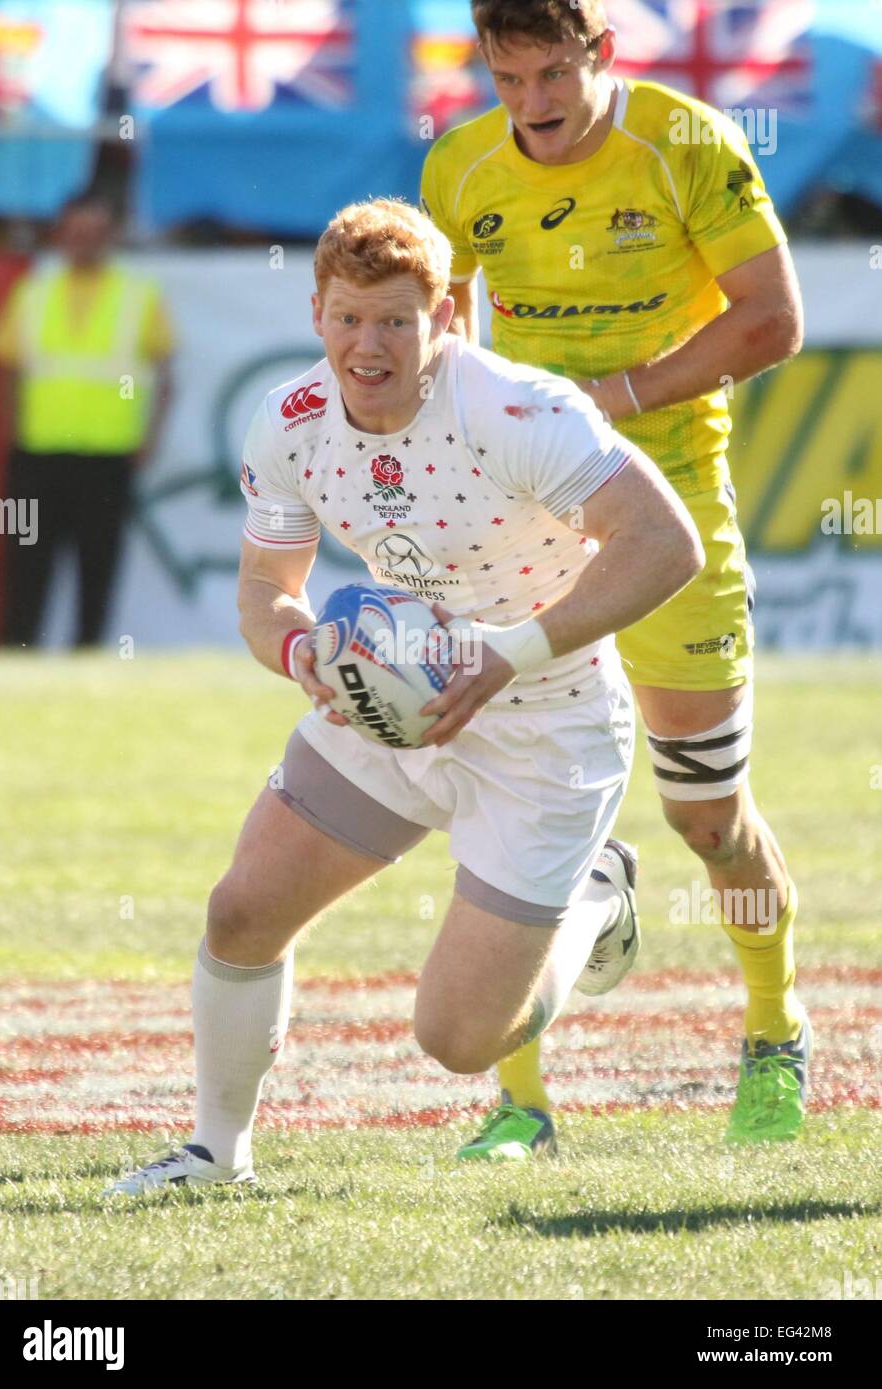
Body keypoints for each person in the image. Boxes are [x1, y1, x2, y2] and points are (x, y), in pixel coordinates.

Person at [105, 198, 703, 1194]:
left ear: (448, 315)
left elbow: (664, 544)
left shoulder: (520, 408)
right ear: (315, 314)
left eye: (395, 319)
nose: (367, 345)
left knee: (459, 1038)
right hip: (394, 693)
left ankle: (598, 899)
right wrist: (303, 657)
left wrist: (508, 653)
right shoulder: (290, 419)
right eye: (347, 318)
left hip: (544, 720)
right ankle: (217, 1154)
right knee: (243, 909)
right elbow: (265, 592)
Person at [420, 0, 809, 1154]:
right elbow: (437, 319)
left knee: (709, 815)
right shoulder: (460, 164)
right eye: (507, 79)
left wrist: (621, 400)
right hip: (520, 516)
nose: (532, 105)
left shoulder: (687, 145)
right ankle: (520, 1103)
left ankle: (774, 1031)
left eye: (551, 74)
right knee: (510, 815)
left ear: (602, 54)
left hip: (670, 509)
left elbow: (775, 320)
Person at [0, 195, 176, 647]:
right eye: (75, 232)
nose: (84, 242)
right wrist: (11, 435)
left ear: (111, 237)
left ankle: (87, 659)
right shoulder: (33, 293)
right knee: (26, 568)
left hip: (108, 456)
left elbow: (164, 375)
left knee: (98, 567)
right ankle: (19, 656)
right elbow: (8, 369)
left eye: (94, 233)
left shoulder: (138, 295)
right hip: (37, 454)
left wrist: (149, 440)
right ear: (60, 235)